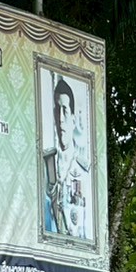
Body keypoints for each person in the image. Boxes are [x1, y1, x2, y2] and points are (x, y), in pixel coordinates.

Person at [42, 76, 90, 240]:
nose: (61, 118)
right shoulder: (47, 163)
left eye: (65, 110)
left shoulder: (83, 170)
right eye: (57, 110)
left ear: (74, 120)